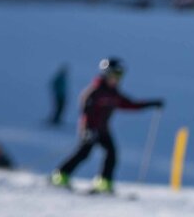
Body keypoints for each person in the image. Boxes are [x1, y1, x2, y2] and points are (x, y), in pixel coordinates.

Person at [48, 58, 163, 194]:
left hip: (103, 130)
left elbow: (130, 104)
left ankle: (104, 182)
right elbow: (86, 111)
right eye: (114, 75)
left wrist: (150, 104)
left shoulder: (113, 93)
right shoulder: (95, 91)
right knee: (83, 153)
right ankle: (60, 176)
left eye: (120, 75)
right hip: (90, 130)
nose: (116, 79)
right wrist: (87, 130)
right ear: (106, 74)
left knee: (111, 153)